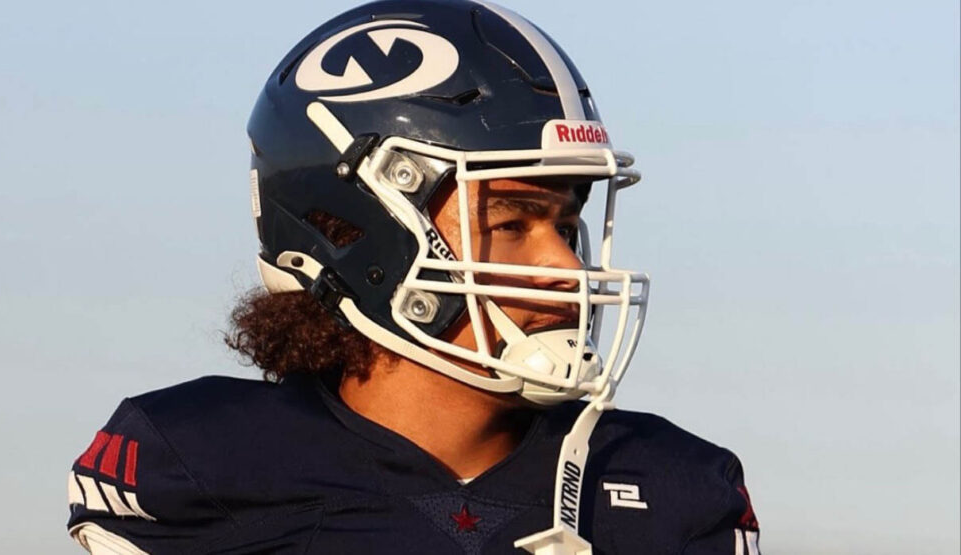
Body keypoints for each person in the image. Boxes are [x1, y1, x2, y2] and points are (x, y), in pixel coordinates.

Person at [66, 1, 761, 553]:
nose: (567, 266)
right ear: (357, 233)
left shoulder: (669, 483)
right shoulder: (200, 464)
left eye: (567, 224)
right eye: (512, 223)